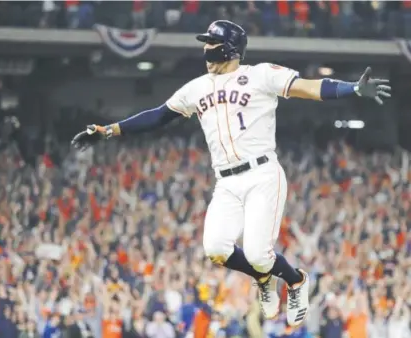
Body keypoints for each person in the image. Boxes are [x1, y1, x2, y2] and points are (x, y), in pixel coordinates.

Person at [71, 20, 391, 327]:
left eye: (211, 42)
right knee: (216, 248)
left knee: (258, 254)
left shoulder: (260, 75)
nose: (206, 48)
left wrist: (352, 89)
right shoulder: (197, 88)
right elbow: (157, 116)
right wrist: (108, 130)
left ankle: (296, 281)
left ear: (228, 48)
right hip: (226, 180)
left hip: (262, 173)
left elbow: (306, 87)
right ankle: (264, 280)